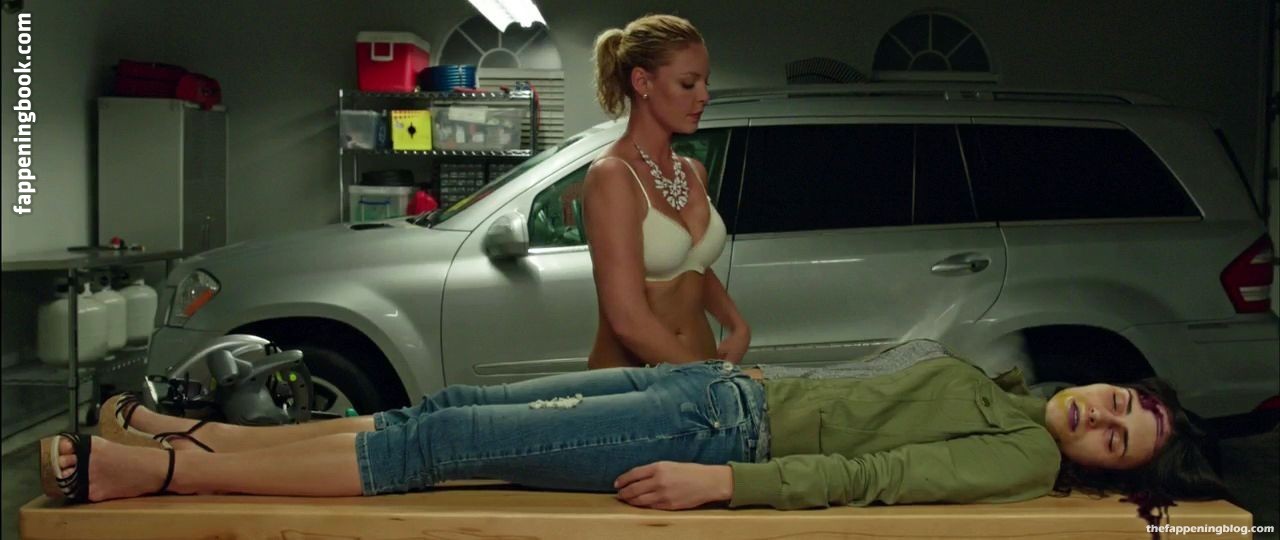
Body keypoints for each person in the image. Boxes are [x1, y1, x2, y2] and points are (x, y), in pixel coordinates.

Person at [40, 340, 1228, 515]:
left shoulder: (1017, 453)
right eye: (1118, 404)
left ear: (1095, 468)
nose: (1100, 417)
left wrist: (723, 487)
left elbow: (869, 473)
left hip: (721, 438)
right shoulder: (1009, 388)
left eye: (1113, 440)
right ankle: (191, 439)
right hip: (712, 390)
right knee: (442, 411)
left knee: (432, 451)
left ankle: (153, 475)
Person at [583, 14, 750, 369]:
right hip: (635, 385)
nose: (704, 96)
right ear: (642, 82)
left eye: (705, 82)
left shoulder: (692, 171)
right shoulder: (614, 175)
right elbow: (628, 321)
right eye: (689, 84)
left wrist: (736, 324)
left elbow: (691, 265)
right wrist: (710, 382)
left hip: (695, 374)